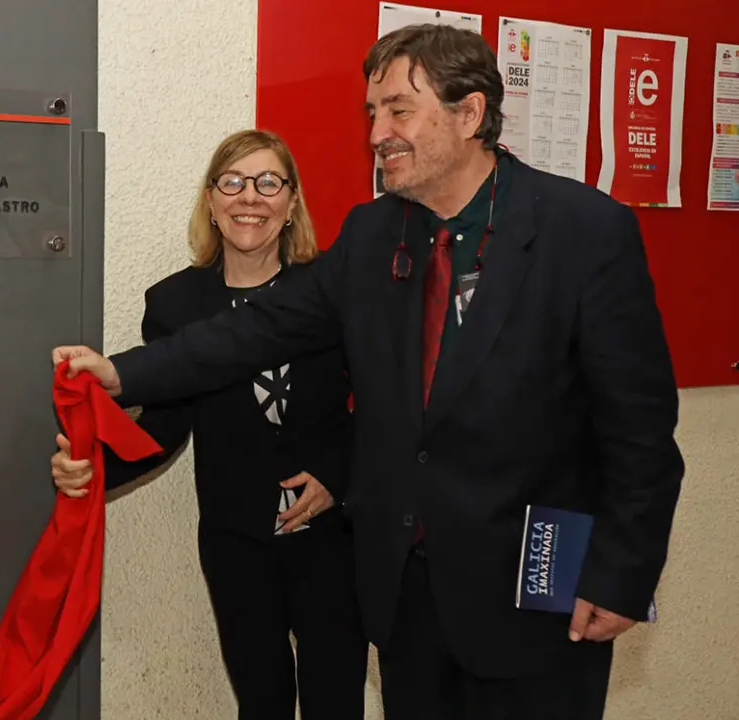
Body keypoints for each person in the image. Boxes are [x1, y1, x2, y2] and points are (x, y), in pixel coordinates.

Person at [53, 24, 684, 720]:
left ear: (469, 114)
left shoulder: (584, 231)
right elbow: (255, 329)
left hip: (533, 601)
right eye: (372, 112)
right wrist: (122, 374)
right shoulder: (373, 234)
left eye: (399, 109)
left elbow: (640, 431)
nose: (378, 131)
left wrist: (622, 573)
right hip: (406, 602)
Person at [50, 129, 366, 718]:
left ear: (292, 202)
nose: (251, 197)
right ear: (212, 202)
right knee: (261, 700)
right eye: (233, 182)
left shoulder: (331, 291)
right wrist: (92, 469)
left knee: (336, 700)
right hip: (236, 541)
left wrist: (335, 474)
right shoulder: (174, 303)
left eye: (269, 182)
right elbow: (165, 426)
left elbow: (381, 405)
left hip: (332, 536)